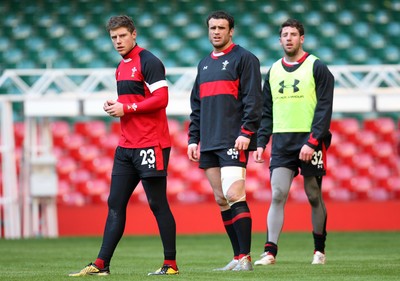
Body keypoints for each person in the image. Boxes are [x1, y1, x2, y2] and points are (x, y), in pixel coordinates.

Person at [69, 15, 178, 276]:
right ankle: (101, 264)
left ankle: (170, 265)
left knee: (157, 203)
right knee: (115, 202)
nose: (118, 41)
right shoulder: (121, 66)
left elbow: (162, 99)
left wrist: (126, 107)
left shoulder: (149, 61)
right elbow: (132, 103)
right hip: (126, 146)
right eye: (113, 38)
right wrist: (116, 106)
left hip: (151, 144)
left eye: (122, 36)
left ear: (134, 34)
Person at [253, 18, 334, 266]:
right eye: (284, 35)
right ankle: (270, 252)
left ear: (302, 38)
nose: (289, 38)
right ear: (280, 40)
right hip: (282, 140)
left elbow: (324, 108)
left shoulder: (317, 67)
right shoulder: (274, 70)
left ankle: (319, 250)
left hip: (309, 140)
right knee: (278, 193)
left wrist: (312, 141)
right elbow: (267, 110)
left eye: (293, 34)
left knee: (312, 195)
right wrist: (261, 141)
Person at [187, 10, 262, 271]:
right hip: (208, 141)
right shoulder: (204, 63)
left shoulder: (245, 59)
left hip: (233, 138)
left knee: (234, 194)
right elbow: (196, 104)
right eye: (212, 28)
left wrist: (246, 131)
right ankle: (237, 255)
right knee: (221, 198)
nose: (216, 32)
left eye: (221, 27)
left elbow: (254, 99)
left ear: (231, 31)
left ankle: (246, 257)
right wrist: (193, 139)